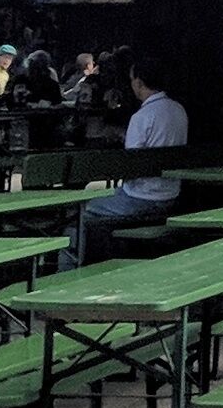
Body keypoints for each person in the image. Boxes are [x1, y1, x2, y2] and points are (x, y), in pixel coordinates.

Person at [77, 56, 188, 259]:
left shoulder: (141, 117)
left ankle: (72, 268)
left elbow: (130, 164)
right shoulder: (179, 110)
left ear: (138, 82)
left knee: (81, 212)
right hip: (171, 194)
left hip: (141, 197)